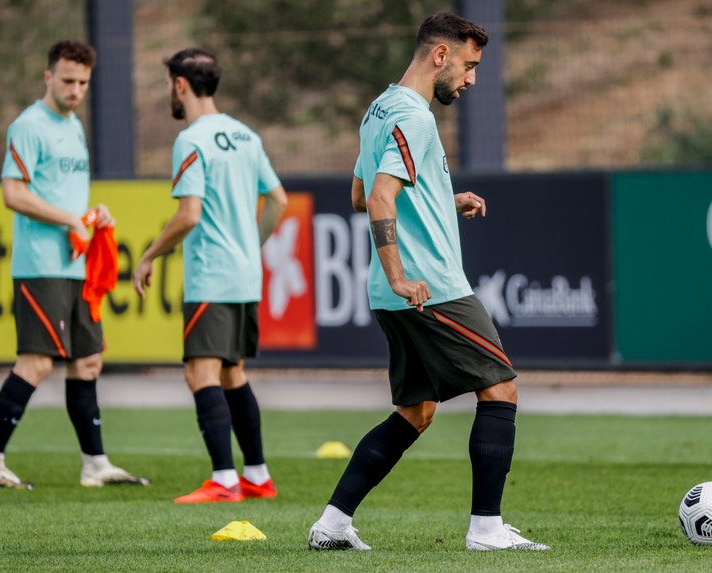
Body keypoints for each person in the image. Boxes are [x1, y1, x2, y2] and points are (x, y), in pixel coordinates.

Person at [307, 12, 550, 551]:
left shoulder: (379, 109)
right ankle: (486, 529)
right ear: (439, 56)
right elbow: (377, 198)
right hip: (429, 287)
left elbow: (357, 192)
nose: (471, 79)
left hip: (396, 294)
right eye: (468, 65)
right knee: (501, 387)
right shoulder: (413, 116)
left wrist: (444, 199)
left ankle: (333, 524)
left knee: (415, 412)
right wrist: (400, 274)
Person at [0, 40, 149, 489]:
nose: (76, 89)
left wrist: (91, 215)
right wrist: (71, 218)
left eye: (84, 82)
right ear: (48, 76)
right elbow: (13, 194)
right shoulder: (28, 126)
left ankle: (95, 464)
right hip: (41, 265)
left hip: (76, 266)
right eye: (68, 80)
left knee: (87, 363)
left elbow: (67, 197)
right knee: (37, 363)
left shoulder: (75, 127)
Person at [132, 48, 288, 504]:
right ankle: (257, 475)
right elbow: (277, 200)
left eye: (168, 85)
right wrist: (249, 246)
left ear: (180, 84)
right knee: (231, 374)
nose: (169, 93)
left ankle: (223, 480)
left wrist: (148, 256)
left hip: (211, 276)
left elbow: (188, 216)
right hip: (243, 275)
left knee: (200, 374)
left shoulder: (191, 139)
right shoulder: (246, 136)